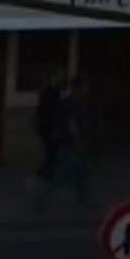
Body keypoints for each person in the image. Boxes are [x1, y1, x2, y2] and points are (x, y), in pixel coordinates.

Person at [32, 68, 87, 208]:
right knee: (63, 173)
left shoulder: (67, 100)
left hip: (65, 140)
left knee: (81, 173)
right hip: (70, 142)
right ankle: (42, 195)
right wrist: (77, 139)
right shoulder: (68, 102)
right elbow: (70, 124)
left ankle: (84, 199)